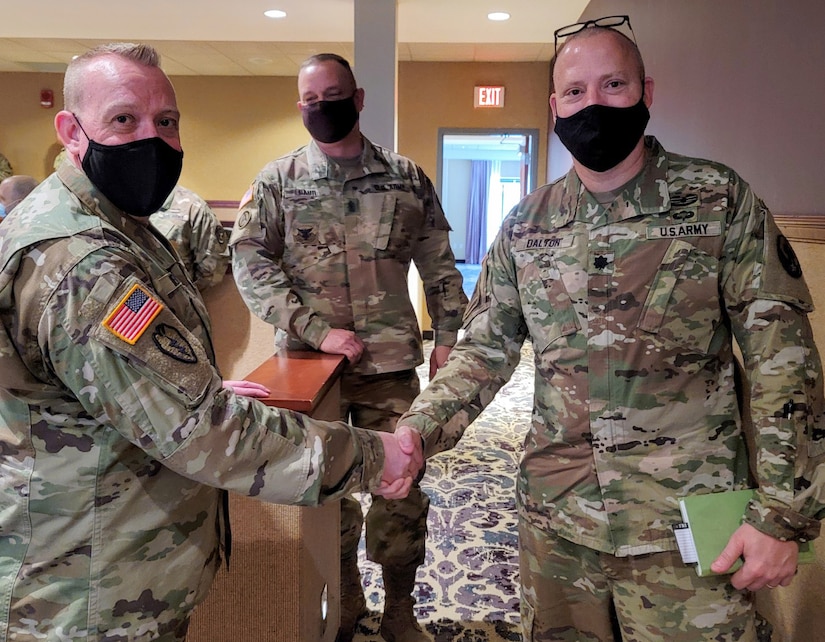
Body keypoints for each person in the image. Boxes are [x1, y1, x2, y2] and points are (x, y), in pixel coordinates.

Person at [395, 16, 825, 642]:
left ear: (647, 93)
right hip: (558, 524)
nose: (592, 104)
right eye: (574, 92)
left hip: (688, 527)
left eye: (613, 85)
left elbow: (783, 360)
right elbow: (483, 351)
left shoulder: (716, 201)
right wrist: (416, 432)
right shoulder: (525, 227)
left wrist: (784, 515)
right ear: (553, 107)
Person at [0, 42, 424, 642]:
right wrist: (376, 457)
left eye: (166, 121)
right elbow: (207, 431)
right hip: (85, 594)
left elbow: (119, 381)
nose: (153, 138)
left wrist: (176, 385)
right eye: (124, 119)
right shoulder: (81, 260)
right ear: (71, 131)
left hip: (110, 565)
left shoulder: (119, 226)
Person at [230, 53, 467, 642]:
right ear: (299, 106)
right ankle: (344, 606)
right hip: (312, 373)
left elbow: (439, 263)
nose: (321, 108)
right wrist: (313, 329)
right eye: (310, 100)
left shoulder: (406, 178)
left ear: (358, 99)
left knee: (401, 489)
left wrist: (451, 336)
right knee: (323, 491)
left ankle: (400, 610)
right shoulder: (277, 182)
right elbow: (250, 262)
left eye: (332, 96)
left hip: (390, 369)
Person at [150, 185, 230, 290]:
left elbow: (213, 266)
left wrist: (188, 296)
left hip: (177, 300)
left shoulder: (192, 207)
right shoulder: (122, 202)